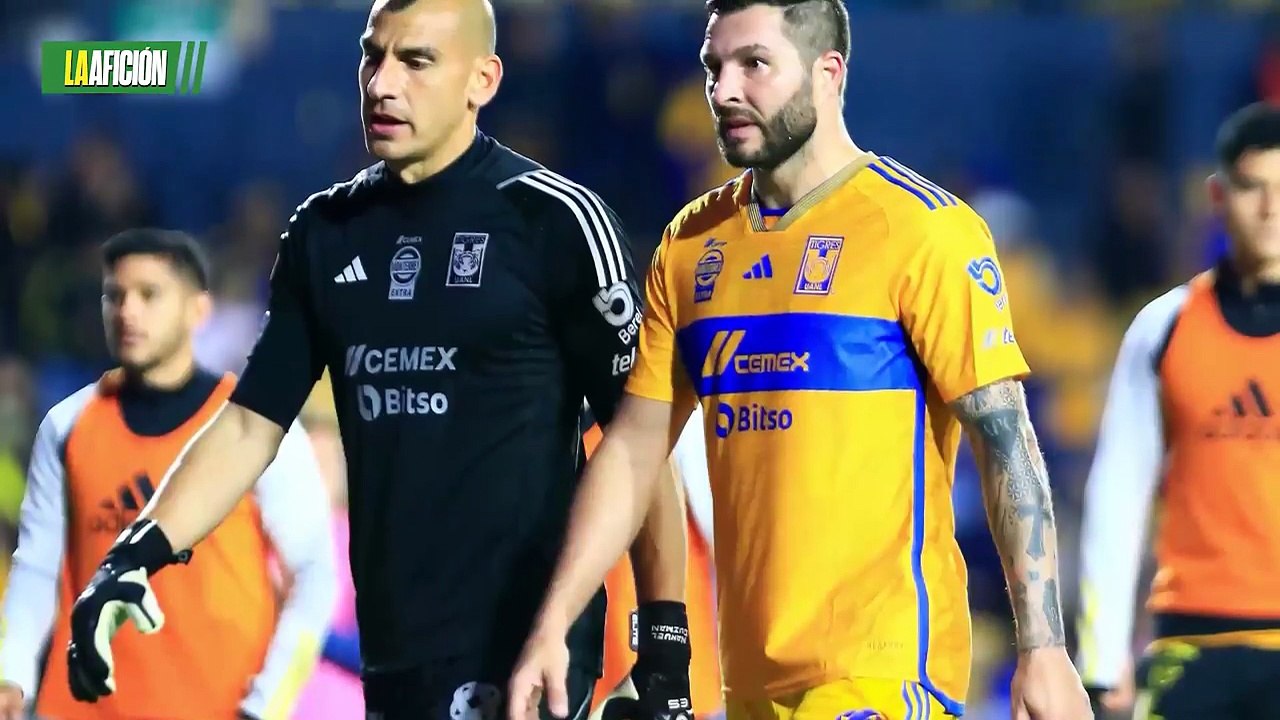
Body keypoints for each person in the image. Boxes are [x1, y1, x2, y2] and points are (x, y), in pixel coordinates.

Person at [61, 2, 693, 719]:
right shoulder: (325, 234)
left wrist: (665, 652)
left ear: (481, 80)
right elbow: (247, 427)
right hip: (392, 660)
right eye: (373, 56)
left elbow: (642, 442)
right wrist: (133, 556)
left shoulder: (555, 221)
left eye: (416, 61)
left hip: (529, 656)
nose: (382, 83)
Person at [508, 1, 1093, 719]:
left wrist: (1042, 649)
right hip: (748, 688)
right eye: (713, 67)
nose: (724, 90)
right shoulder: (692, 245)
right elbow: (633, 451)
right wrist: (552, 625)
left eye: (754, 63)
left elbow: (1005, 439)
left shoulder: (922, 230)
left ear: (827, 73)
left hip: (882, 682)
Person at [0, 229, 336, 720]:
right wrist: (13, 672)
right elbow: (37, 567)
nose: (127, 311)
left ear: (199, 310)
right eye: (114, 296)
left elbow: (315, 575)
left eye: (149, 295)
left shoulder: (258, 425)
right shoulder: (68, 426)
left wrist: (266, 706)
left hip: (217, 709)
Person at [1075, 102, 1280, 720]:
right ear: (1218, 195)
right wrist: (1101, 660)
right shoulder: (1164, 328)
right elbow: (1118, 491)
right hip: (1190, 647)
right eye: (1252, 187)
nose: (1270, 209)